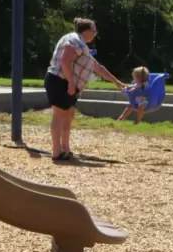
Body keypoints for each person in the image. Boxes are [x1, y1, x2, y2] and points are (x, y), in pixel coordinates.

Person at [44, 18, 126, 162]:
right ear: (86, 31)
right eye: (93, 30)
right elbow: (65, 61)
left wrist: (116, 81)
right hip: (59, 80)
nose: (95, 33)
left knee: (69, 114)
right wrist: (70, 83)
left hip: (66, 82)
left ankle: (66, 148)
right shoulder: (75, 40)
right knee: (59, 114)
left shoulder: (82, 46)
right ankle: (57, 152)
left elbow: (97, 68)